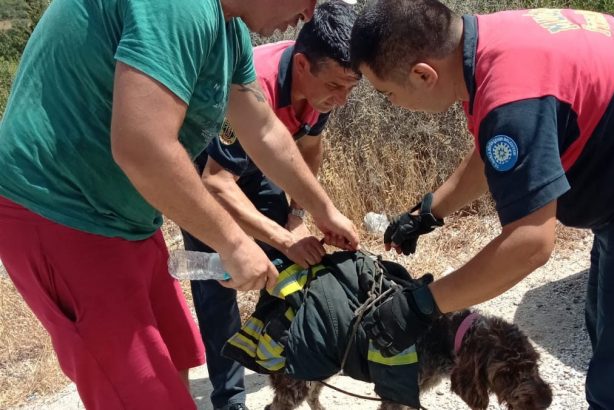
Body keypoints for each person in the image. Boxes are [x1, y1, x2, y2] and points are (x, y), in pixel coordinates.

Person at [349, 1, 614, 409]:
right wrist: (429, 212)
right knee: (606, 333)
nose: (392, 105)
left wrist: (422, 306)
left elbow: (529, 245)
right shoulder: (486, 48)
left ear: (424, 74)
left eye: (387, 94)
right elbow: (496, 151)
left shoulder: (511, 93)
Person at [0, 0, 360, 408]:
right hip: (62, 213)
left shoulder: (229, 31)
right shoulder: (178, 6)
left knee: (176, 357)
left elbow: (263, 129)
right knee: (141, 394)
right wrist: (235, 243)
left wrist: (322, 209)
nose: (310, 15)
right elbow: (143, 146)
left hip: (128, 218)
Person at [181, 2, 360, 409]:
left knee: (294, 265)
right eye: (336, 86)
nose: (343, 99)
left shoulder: (321, 93)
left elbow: (310, 149)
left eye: (351, 88)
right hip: (200, 168)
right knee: (217, 285)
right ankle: (229, 399)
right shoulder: (253, 86)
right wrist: (280, 238)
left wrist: (297, 218)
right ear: (302, 65)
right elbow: (216, 183)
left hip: (255, 161)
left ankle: (276, 356)